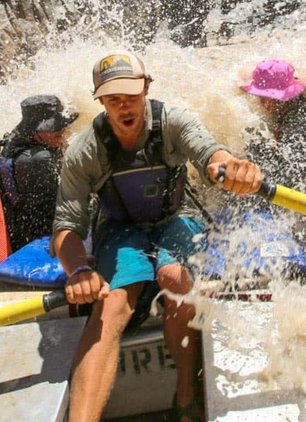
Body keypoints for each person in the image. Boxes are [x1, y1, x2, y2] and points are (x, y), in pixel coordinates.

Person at [52, 50, 262, 422]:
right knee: (114, 301)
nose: (124, 106)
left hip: (175, 216)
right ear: (99, 99)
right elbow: (67, 227)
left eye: (131, 95)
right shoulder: (83, 151)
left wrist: (232, 169)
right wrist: (77, 272)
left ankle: (186, 398)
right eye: (113, 98)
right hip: (119, 229)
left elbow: (210, 153)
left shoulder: (173, 123)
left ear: (147, 87)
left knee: (175, 279)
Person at [240, 59, 306, 266]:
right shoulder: (305, 107)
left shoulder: (298, 127)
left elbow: (292, 178)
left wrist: (260, 150)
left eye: (266, 98)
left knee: (255, 145)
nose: (262, 103)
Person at [0, 94, 78, 251]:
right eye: (54, 128)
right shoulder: (38, 160)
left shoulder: (17, 140)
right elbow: (63, 203)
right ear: (35, 131)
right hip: (35, 236)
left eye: (61, 125)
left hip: (28, 223)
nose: (61, 131)